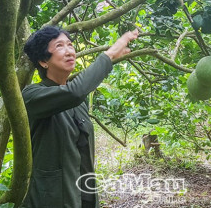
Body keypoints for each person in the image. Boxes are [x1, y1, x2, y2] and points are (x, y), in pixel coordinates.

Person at [21, 26, 139, 208]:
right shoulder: (32, 95)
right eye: (59, 46)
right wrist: (109, 56)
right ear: (44, 61)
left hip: (83, 197)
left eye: (70, 44)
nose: (69, 51)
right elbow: (75, 92)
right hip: (51, 200)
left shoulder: (78, 102)